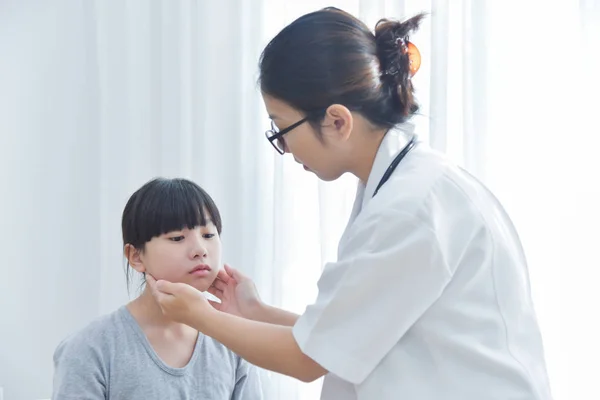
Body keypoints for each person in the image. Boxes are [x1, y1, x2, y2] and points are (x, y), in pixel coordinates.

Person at [146, 7, 552, 400]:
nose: (283, 147)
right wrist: (253, 310)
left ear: (337, 121)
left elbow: (307, 359)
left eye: (281, 128)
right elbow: (337, 339)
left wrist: (201, 316)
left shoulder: (411, 208)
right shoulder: (402, 189)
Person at [52, 178, 262, 399]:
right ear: (136, 256)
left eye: (208, 235)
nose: (200, 250)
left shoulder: (236, 342)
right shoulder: (88, 349)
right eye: (177, 237)